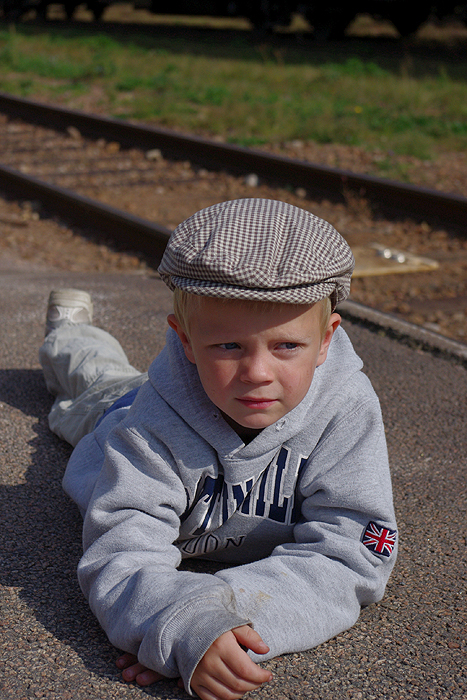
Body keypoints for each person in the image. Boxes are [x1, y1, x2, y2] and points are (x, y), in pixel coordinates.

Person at [39, 198, 398, 700]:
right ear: (185, 340)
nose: (257, 373)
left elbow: (352, 553)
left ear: (325, 340)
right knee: (94, 379)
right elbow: (121, 551)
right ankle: (71, 331)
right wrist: (174, 618)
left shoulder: (346, 407)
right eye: (228, 346)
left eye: (287, 346)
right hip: (116, 410)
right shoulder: (150, 426)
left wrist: (214, 618)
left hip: (203, 391)